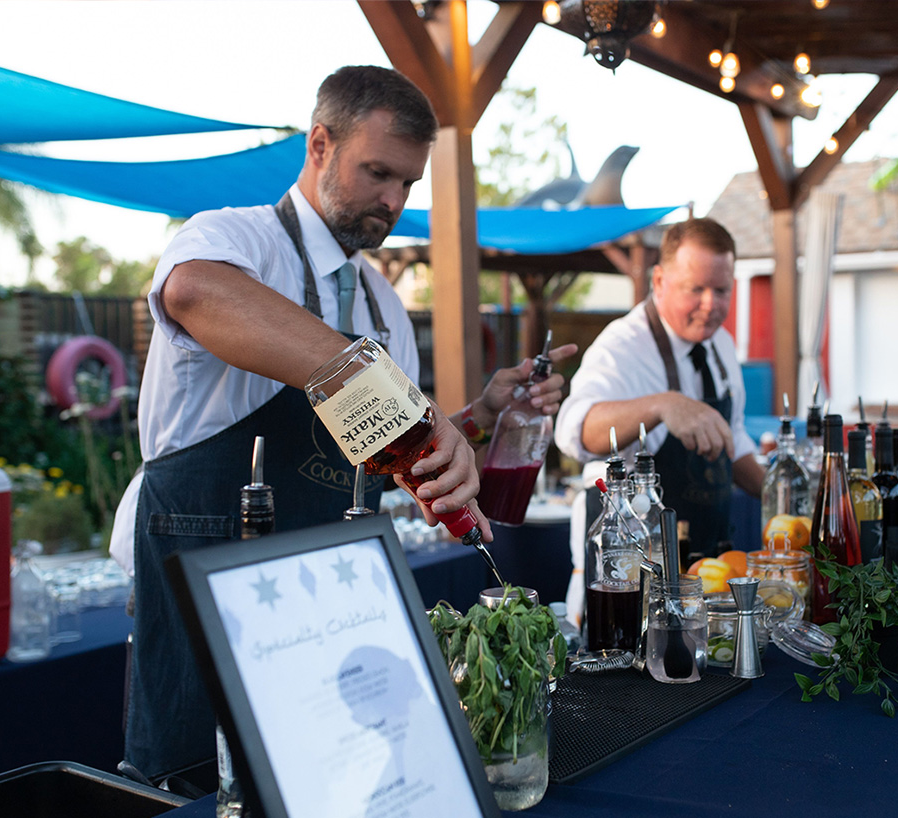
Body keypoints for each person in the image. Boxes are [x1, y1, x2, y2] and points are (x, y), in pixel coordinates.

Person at [121, 65, 575, 780]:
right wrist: (387, 390)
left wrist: (478, 418)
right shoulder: (233, 239)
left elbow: (386, 452)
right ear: (320, 144)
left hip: (325, 594)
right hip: (207, 579)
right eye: (378, 173)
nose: (393, 201)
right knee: (197, 782)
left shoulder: (380, 303)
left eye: (408, 185)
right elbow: (194, 292)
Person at [554, 218, 764, 566]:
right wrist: (663, 406)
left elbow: (733, 436)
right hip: (633, 566)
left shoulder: (721, 344)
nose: (711, 304)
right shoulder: (622, 346)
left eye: (722, 290)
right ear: (659, 281)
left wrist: (780, 492)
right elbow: (575, 430)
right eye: (695, 289)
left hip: (706, 558)